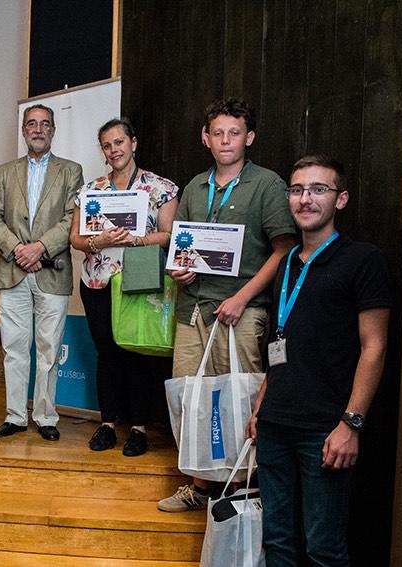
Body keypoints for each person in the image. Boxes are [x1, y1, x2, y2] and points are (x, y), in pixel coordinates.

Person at [246, 155, 390, 565]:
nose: (305, 199)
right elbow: (282, 339)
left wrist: (351, 424)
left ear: (340, 200)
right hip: (275, 425)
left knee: (324, 549)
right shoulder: (288, 261)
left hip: (326, 431)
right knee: (276, 542)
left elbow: (374, 346)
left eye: (318, 190)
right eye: (297, 190)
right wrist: (262, 403)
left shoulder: (363, 260)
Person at [159, 98, 296, 511]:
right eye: (217, 132)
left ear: (249, 138)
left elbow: (284, 250)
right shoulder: (195, 187)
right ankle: (200, 487)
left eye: (234, 132)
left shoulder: (267, 184)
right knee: (192, 401)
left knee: (238, 402)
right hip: (192, 310)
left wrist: (242, 297)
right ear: (205, 138)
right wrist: (178, 271)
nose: (225, 140)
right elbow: (181, 249)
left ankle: (240, 492)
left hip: (240, 311)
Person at [69, 117, 179, 457]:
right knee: (108, 353)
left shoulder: (159, 187)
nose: (114, 149)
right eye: (107, 145)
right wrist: (97, 241)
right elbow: (75, 238)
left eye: (119, 142)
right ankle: (107, 424)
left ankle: (139, 427)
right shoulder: (90, 191)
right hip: (98, 281)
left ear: (133, 143)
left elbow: (170, 235)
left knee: (137, 353)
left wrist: (137, 239)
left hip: (138, 280)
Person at [0, 103, 83, 441]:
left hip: (52, 270)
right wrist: (17, 250)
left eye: (45, 124)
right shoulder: (5, 171)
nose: (38, 129)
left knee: (48, 349)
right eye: (31, 123)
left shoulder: (71, 171)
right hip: (12, 271)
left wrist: (39, 247)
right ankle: (15, 415)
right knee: (14, 348)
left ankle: (45, 416)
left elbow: (73, 217)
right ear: (23, 130)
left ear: (53, 130)